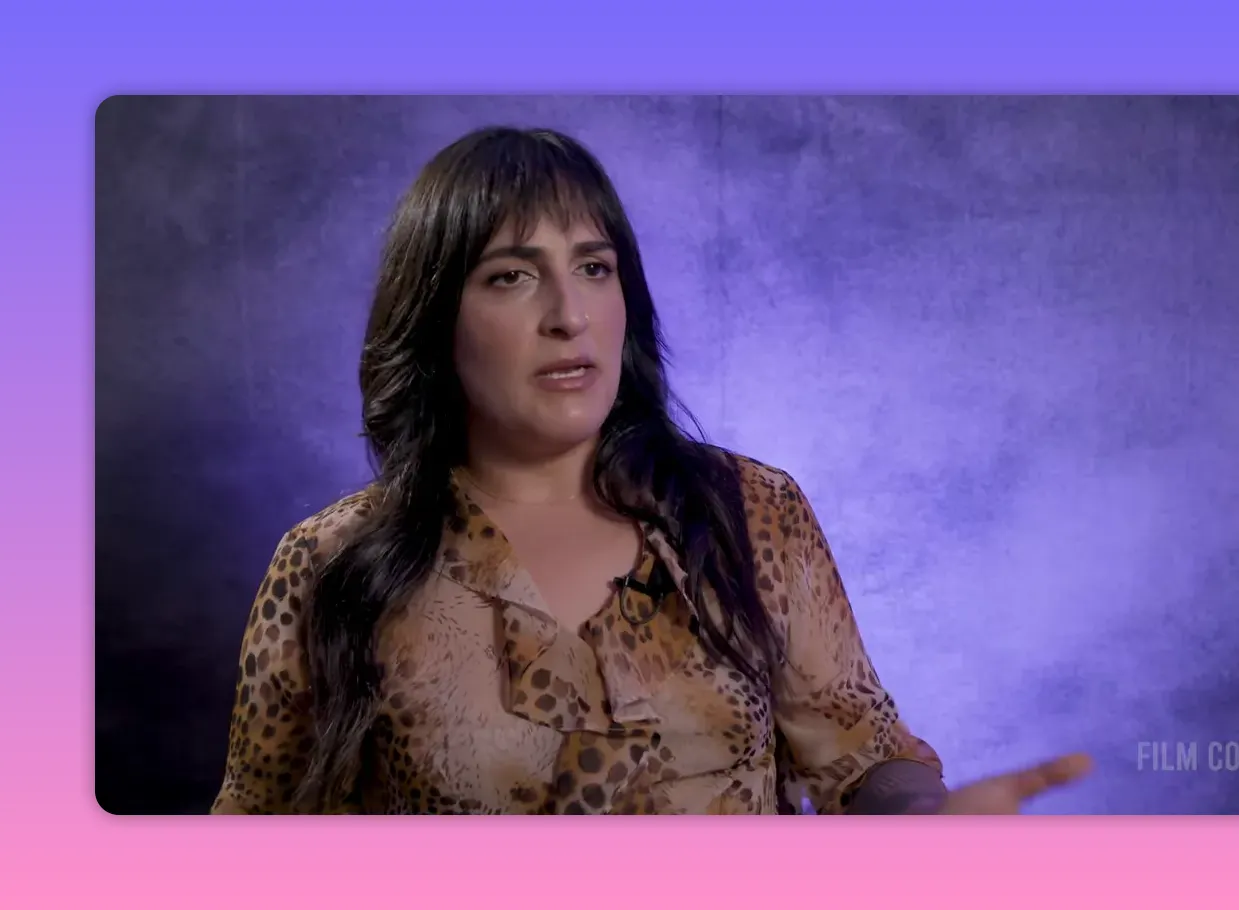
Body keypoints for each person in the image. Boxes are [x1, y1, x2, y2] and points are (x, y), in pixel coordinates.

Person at [211, 126, 1092, 815]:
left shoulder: (751, 512)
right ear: (436, 319)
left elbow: (865, 756)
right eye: (512, 277)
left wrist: (928, 822)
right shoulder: (330, 566)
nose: (569, 315)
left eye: (593, 268)